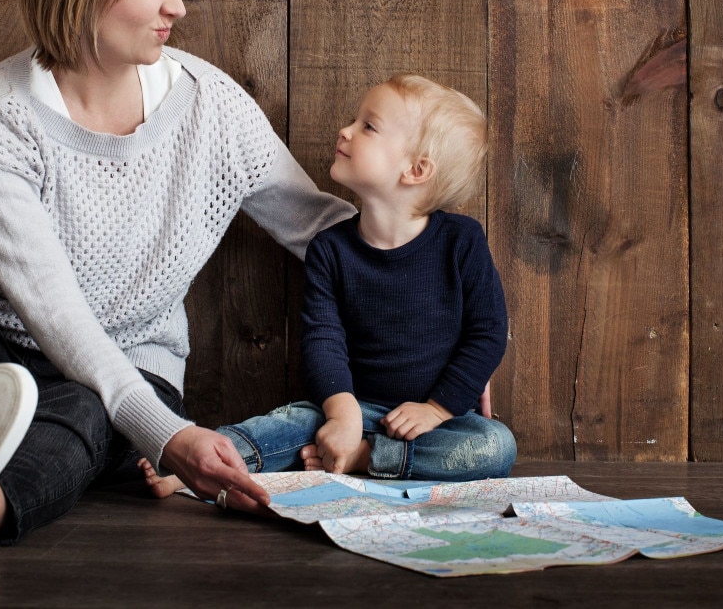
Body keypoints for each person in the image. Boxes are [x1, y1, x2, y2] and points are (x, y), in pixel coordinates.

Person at [0, 0, 356, 565]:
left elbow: (320, 228)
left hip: (133, 375)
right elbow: (50, 306)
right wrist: (174, 439)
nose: (177, 5)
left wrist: (463, 319)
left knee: (85, 405)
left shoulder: (214, 107)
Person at [145, 74, 515, 497]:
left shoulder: (462, 241)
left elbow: (487, 332)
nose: (346, 130)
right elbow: (323, 339)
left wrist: (438, 408)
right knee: (287, 424)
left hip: (436, 422)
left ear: (416, 170)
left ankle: (364, 458)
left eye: (368, 127)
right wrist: (342, 415)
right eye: (355, 120)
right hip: (352, 405)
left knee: (494, 446)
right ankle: (199, 464)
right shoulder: (331, 249)